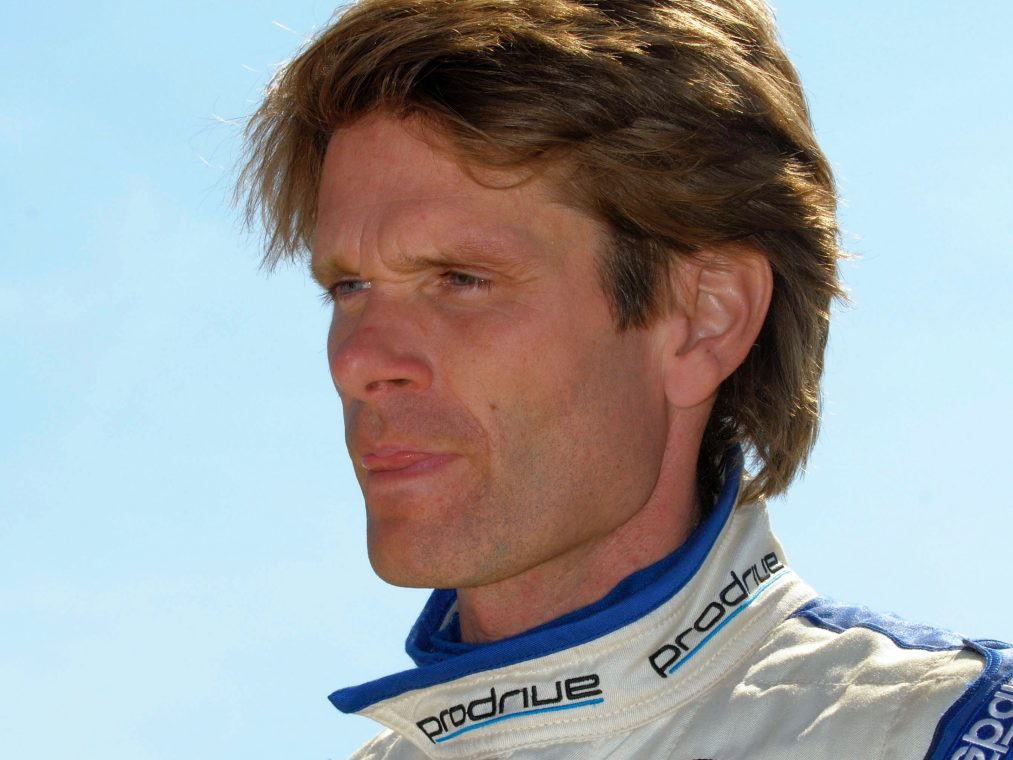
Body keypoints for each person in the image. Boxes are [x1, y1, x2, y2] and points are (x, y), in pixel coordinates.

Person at [236, 1, 1012, 757]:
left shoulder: (946, 733)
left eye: (460, 279)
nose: (358, 361)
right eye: (348, 287)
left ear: (704, 318)